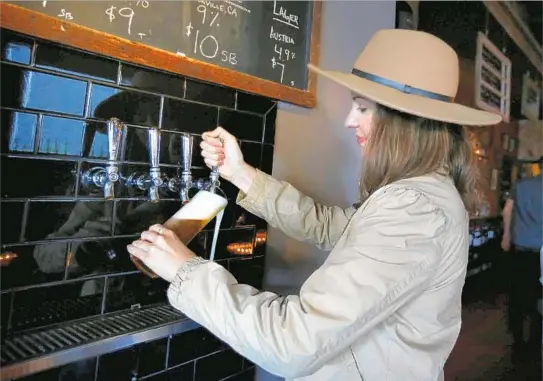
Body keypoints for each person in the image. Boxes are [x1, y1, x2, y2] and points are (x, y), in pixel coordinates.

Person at [127, 29, 501, 380]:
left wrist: (185, 271)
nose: (348, 120)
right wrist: (240, 173)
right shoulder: (417, 195)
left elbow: (293, 341)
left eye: (363, 108)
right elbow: (327, 226)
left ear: (405, 121)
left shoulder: (414, 208)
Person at [501, 157, 543, 362]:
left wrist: (506, 236)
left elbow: (507, 210)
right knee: (540, 298)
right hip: (542, 255)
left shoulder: (522, 185)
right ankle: (536, 342)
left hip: (520, 251)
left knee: (516, 297)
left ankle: (518, 341)